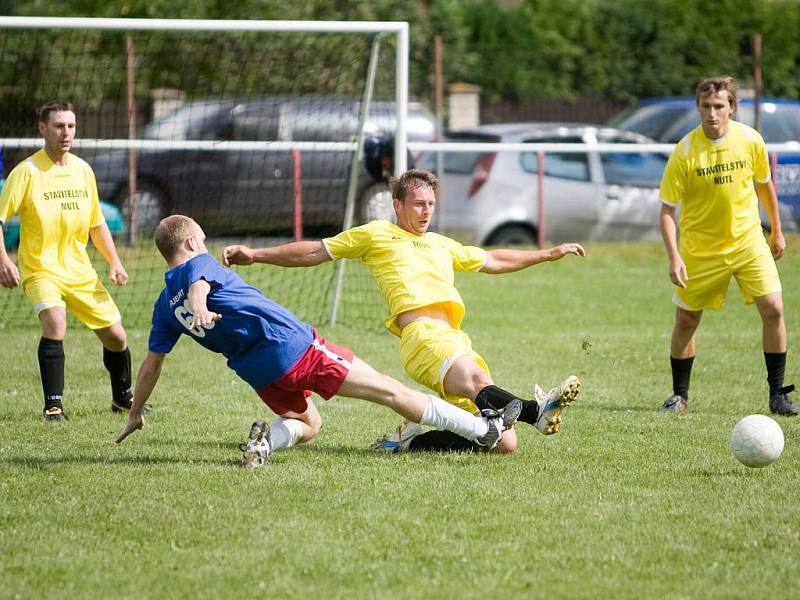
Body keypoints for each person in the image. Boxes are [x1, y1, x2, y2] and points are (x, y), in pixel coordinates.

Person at [222, 169, 585, 453]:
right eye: (418, 204)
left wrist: (547, 254)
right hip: (423, 337)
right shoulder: (377, 233)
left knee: (504, 443)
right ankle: (536, 412)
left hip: (454, 339)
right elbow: (317, 250)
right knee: (477, 382)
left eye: (431, 204)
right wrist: (256, 255)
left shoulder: (442, 244)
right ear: (397, 204)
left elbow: (493, 258)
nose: (426, 211)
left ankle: (410, 441)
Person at [115, 215, 520, 466]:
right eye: (201, 240)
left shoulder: (162, 307)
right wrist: (201, 305)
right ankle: (480, 429)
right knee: (391, 391)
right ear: (189, 243)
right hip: (294, 347)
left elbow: (151, 364)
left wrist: (135, 412)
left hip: (260, 372)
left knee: (308, 423)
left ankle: (264, 445)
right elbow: (199, 284)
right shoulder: (198, 265)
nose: (204, 247)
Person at [659, 75, 797, 416]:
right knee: (687, 320)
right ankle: (679, 396)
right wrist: (674, 255)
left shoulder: (750, 140)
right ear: (698, 107)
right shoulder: (685, 150)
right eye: (706, 106)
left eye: (719, 106)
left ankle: (778, 394)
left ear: (732, 108)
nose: (712, 113)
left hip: (748, 242)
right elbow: (666, 209)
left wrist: (776, 231)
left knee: (774, 309)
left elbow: (765, 186)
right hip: (700, 249)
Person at [0, 100, 135, 421]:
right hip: (40, 269)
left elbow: (96, 223)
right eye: (59, 126)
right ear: (42, 129)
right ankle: (53, 406)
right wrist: (4, 259)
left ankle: (122, 399)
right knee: (55, 321)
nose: (66, 133)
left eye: (71, 126)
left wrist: (115, 262)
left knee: (117, 337)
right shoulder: (26, 172)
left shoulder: (82, 170)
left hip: (79, 271)